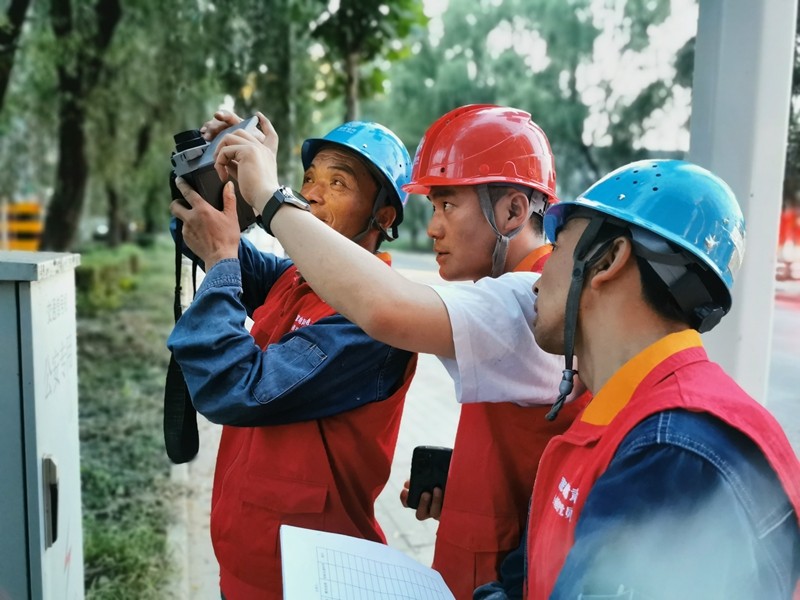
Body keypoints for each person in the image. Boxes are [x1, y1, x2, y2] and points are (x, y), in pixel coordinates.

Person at [209, 105, 588, 598]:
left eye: (447, 205)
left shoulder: (529, 299)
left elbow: (383, 308)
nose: (432, 228)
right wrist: (474, 478)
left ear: (514, 212)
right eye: (432, 207)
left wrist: (267, 197)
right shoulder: (519, 294)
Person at [479, 159, 800, 599]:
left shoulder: (674, 455)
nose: (536, 284)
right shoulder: (636, 423)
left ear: (608, 258)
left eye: (556, 248)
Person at [167, 117, 418, 599]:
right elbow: (205, 236)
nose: (314, 193)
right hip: (245, 560)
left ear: (384, 217)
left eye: (338, 182)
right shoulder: (295, 277)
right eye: (309, 179)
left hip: (314, 578)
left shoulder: (379, 317)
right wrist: (218, 175)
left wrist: (222, 262)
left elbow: (239, 388)